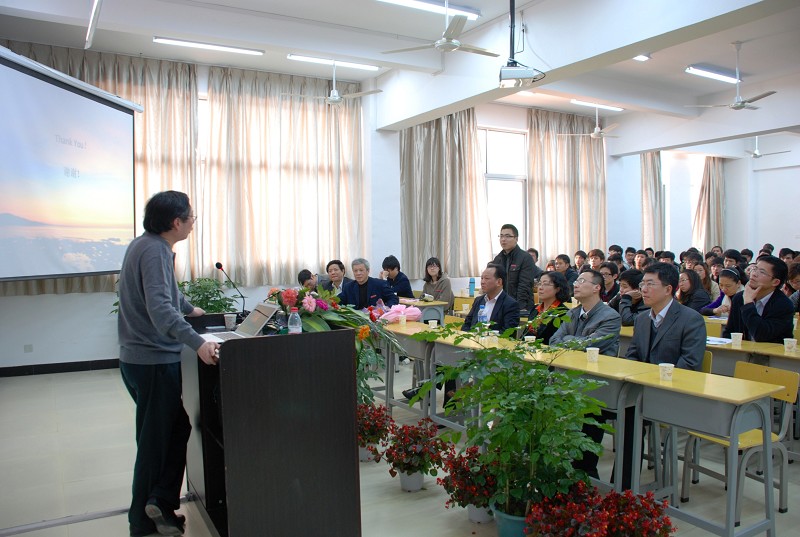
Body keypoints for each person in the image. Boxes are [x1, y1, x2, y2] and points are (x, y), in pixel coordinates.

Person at [118, 191, 220, 537]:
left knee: (174, 430)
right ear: (176, 222)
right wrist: (198, 342)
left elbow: (168, 294)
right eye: (191, 218)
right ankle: (142, 521)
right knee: (155, 441)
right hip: (153, 361)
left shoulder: (145, 245)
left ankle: (159, 502)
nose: (192, 224)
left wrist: (192, 310)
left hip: (139, 360)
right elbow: (161, 309)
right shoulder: (156, 251)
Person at [549, 269, 621, 357]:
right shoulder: (571, 313)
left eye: (581, 281)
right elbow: (553, 341)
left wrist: (566, 338)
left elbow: (590, 345)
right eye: (575, 282)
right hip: (569, 362)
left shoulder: (611, 317)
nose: (575, 285)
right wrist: (579, 340)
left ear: (596, 288)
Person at [723, 255, 794, 343]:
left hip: (771, 351)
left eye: (762, 272)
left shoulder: (784, 305)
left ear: (775, 282)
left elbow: (761, 335)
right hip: (742, 350)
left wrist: (748, 304)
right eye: (755, 269)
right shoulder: (739, 298)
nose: (754, 274)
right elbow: (729, 332)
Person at [461, 264, 520, 332]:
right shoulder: (478, 300)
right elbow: (467, 324)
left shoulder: (510, 304)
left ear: (499, 282)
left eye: (486, 278)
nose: (482, 282)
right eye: (482, 278)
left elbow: (508, 332)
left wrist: (487, 336)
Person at [492, 224, 535, 312]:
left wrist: (520, 307)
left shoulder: (525, 258)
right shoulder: (498, 259)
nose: (503, 239)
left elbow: (525, 285)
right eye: (501, 236)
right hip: (501, 306)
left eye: (507, 236)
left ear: (516, 239)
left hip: (521, 306)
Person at [526, 271, 570, 344]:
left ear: (558, 289)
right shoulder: (535, 309)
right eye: (539, 284)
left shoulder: (563, 313)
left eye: (545, 284)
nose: (540, 288)